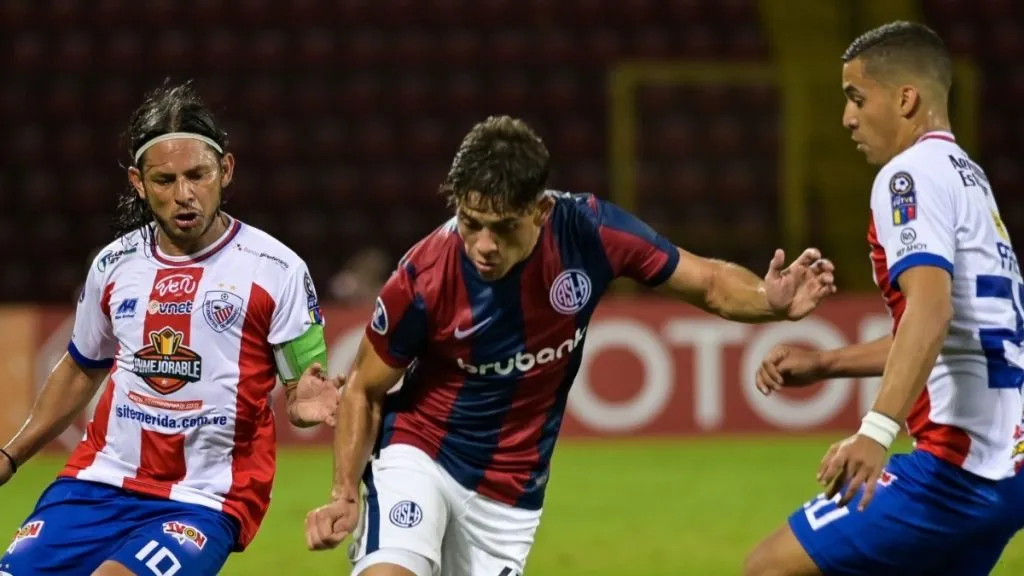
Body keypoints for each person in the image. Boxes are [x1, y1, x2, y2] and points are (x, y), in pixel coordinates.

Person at [303, 115, 837, 576]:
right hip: (422, 453)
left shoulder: (590, 232)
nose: (483, 245)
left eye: (502, 228)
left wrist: (769, 300)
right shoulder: (423, 278)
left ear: (539, 211)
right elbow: (364, 389)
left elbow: (710, 283)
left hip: (509, 495)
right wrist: (344, 494)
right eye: (471, 223)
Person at [0, 81, 340, 576]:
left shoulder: (277, 269)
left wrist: (304, 403)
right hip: (99, 479)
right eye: (165, 180)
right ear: (138, 182)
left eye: (198, 175)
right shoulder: (114, 264)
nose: (184, 195)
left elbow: (303, 387)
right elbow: (80, 368)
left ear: (225, 170)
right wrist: (10, 456)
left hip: (205, 497)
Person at [743, 21, 1024, 576]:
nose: (847, 117)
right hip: (1009, 468)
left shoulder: (908, 176)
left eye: (856, 98)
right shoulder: (968, 177)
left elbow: (931, 312)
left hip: (957, 471)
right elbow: (954, 331)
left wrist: (875, 432)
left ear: (905, 99)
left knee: (769, 567)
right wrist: (825, 363)